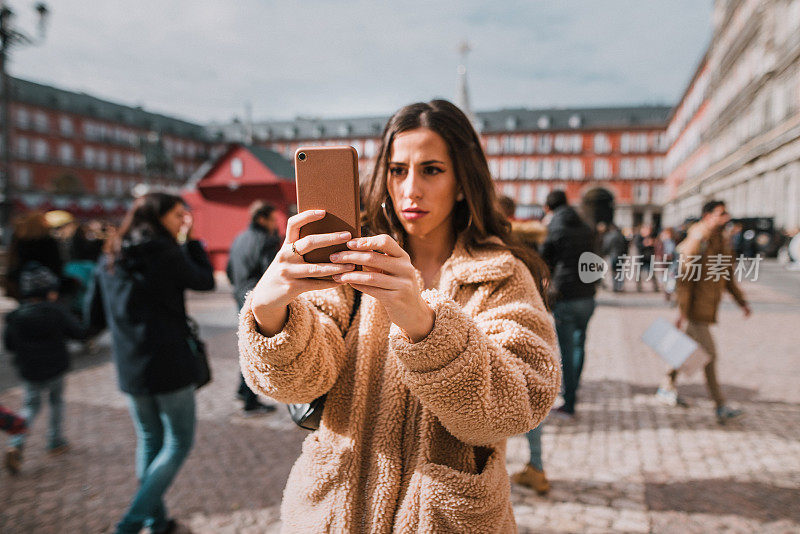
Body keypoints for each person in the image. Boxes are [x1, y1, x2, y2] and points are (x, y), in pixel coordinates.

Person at [238, 100, 560, 532]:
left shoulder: (500, 273)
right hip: (332, 513)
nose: (411, 189)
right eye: (397, 170)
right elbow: (300, 382)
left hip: (445, 517)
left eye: (431, 170)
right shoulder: (349, 262)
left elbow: (518, 404)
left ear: (463, 181)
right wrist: (269, 312)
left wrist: (423, 323)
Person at [86, 192, 215, 534]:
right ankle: (129, 524)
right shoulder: (166, 251)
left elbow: (94, 316)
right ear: (158, 218)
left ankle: (157, 522)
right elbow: (205, 280)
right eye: (177, 216)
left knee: (149, 439)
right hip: (169, 362)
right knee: (178, 442)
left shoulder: (110, 254)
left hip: (130, 365)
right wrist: (189, 241)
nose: (181, 221)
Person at [656, 200, 751, 424]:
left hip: (706, 308)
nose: (726, 217)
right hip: (693, 310)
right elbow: (685, 279)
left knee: (683, 351)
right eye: (721, 213)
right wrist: (681, 311)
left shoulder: (721, 239)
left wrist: (742, 302)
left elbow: (728, 275)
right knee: (709, 356)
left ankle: (665, 386)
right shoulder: (698, 239)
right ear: (707, 216)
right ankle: (719, 405)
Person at [3, 263, 88, 475]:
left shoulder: (16, 317)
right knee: (56, 402)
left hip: (29, 370)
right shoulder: (57, 311)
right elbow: (78, 332)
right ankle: (55, 440)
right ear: (48, 291)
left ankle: (17, 441)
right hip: (55, 367)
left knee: (30, 406)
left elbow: (9, 345)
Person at [539, 190, 596, 418]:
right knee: (580, 344)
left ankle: (569, 401)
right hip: (588, 295)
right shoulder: (586, 227)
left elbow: (544, 258)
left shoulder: (555, 228)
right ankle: (574, 389)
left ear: (549, 208)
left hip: (565, 295)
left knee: (566, 349)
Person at [226, 201, 281, 415]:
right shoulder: (266, 240)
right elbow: (271, 274)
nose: (275, 223)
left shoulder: (239, 238)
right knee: (254, 348)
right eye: (273, 219)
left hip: (238, 293)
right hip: (255, 297)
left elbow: (230, 270)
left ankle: (242, 390)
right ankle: (249, 401)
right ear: (262, 219)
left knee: (246, 342)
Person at [4, 211, 63, 302]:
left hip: (25, 282)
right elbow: (56, 263)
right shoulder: (49, 241)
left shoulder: (20, 239)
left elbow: (15, 261)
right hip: (46, 281)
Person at [602, 222, 628, 292]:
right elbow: (626, 246)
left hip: (612, 255)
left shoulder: (609, 236)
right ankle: (620, 286)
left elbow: (606, 245)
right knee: (620, 271)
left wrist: (605, 253)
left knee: (614, 271)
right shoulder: (621, 236)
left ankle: (615, 286)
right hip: (621, 255)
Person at [634, 224, 660, 292]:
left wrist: (652, 243)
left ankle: (655, 287)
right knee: (638, 273)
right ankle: (638, 287)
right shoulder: (639, 237)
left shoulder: (651, 236)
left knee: (651, 273)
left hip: (649, 257)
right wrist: (645, 244)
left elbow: (656, 245)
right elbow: (637, 245)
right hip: (641, 257)